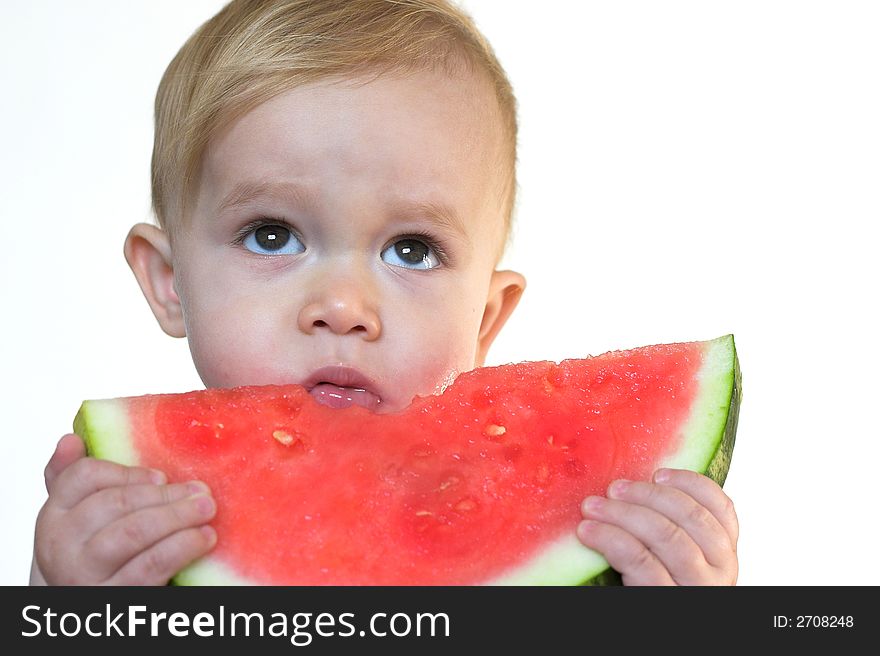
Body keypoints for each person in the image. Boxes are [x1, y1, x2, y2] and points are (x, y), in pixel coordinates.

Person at [31, 0, 738, 586]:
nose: (343, 306)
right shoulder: (148, 540)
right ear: (169, 281)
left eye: (413, 250)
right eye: (271, 235)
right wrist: (66, 603)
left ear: (485, 317)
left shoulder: (556, 549)